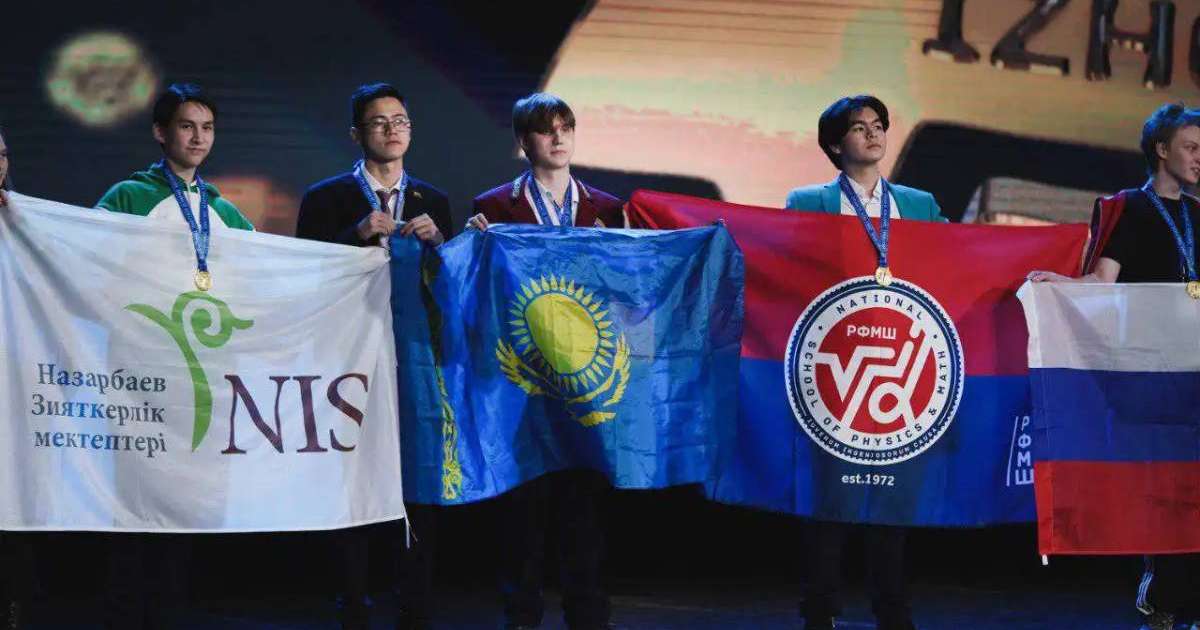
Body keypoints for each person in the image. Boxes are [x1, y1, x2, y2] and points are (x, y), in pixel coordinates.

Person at [1029, 103, 1200, 630]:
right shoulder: (1129, 207)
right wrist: (1059, 286)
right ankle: (1165, 598)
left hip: (1199, 369)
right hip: (1154, 375)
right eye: (1191, 147)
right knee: (1170, 492)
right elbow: (1103, 282)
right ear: (1161, 149)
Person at [95, 82, 252, 630]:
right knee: (135, 503)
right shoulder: (128, 197)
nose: (198, 137)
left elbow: (264, 274)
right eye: (187, 126)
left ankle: (170, 613)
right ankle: (124, 614)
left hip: (200, 380)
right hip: (138, 375)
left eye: (207, 128)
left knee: (185, 504)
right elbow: (83, 256)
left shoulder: (226, 211)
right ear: (161, 132)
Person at [784, 94, 944, 630]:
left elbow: (958, 260)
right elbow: (782, 270)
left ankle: (893, 613)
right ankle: (819, 612)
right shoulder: (807, 202)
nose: (873, 135)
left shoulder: (918, 204)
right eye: (859, 128)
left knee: (893, 508)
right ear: (835, 143)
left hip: (901, 371)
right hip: (834, 371)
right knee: (829, 506)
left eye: (879, 126)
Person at [294, 82, 449, 630]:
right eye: (379, 122)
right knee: (352, 477)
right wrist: (354, 233)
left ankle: (416, 603)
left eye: (401, 120)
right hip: (348, 359)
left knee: (418, 481)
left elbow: (448, 291)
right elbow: (304, 278)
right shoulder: (326, 197)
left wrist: (441, 248)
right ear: (357, 134)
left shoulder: (433, 202)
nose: (392, 129)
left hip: (413, 361)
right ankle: (352, 603)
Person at [468, 92, 622, 630]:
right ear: (522, 142)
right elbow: (478, 292)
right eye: (544, 129)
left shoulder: (607, 207)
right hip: (522, 379)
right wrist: (477, 249)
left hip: (586, 378)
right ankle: (522, 612)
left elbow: (629, 293)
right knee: (524, 510)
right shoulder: (493, 207)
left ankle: (588, 612)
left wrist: (618, 255)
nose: (558, 137)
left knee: (584, 509)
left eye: (565, 127)